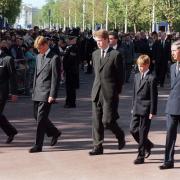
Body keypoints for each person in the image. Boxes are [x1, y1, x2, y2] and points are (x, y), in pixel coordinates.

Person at [89, 29, 125, 155]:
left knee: (107, 121)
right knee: (96, 121)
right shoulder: (95, 54)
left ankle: (120, 135)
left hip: (109, 93)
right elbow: (96, 73)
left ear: (106, 40)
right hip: (96, 92)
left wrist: (117, 91)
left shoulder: (115, 55)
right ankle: (98, 146)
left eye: (100, 40)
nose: (98, 43)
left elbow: (120, 76)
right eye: (97, 41)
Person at [29, 36, 61, 153]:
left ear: (45, 45)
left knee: (41, 119)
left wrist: (53, 95)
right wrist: (33, 89)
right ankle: (54, 132)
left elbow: (55, 78)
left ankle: (38, 145)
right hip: (37, 91)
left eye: (39, 48)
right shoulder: (38, 57)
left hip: (46, 92)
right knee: (36, 116)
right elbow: (36, 75)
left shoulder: (54, 58)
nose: (38, 50)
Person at [130, 55, 158, 164]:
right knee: (133, 129)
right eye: (138, 66)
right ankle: (148, 144)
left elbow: (153, 96)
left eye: (142, 66)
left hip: (146, 109)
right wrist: (133, 106)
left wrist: (153, 111)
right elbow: (134, 93)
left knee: (142, 133)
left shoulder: (151, 78)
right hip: (137, 107)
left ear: (147, 65)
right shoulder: (137, 76)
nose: (140, 68)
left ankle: (140, 156)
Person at [159, 40, 180, 169]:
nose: (172, 53)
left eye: (174, 50)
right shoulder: (172, 67)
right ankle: (168, 160)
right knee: (170, 135)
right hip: (172, 106)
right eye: (171, 51)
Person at [0, 40, 18, 144]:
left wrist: (14, 92)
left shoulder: (7, 59)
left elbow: (13, 77)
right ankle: (11, 131)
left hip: (2, 92)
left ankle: (11, 132)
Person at [63, 33, 79, 108]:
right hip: (69, 70)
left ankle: (71, 103)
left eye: (69, 39)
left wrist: (65, 66)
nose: (67, 40)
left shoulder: (74, 48)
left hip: (71, 70)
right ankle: (68, 101)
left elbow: (70, 60)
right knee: (69, 87)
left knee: (71, 88)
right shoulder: (69, 47)